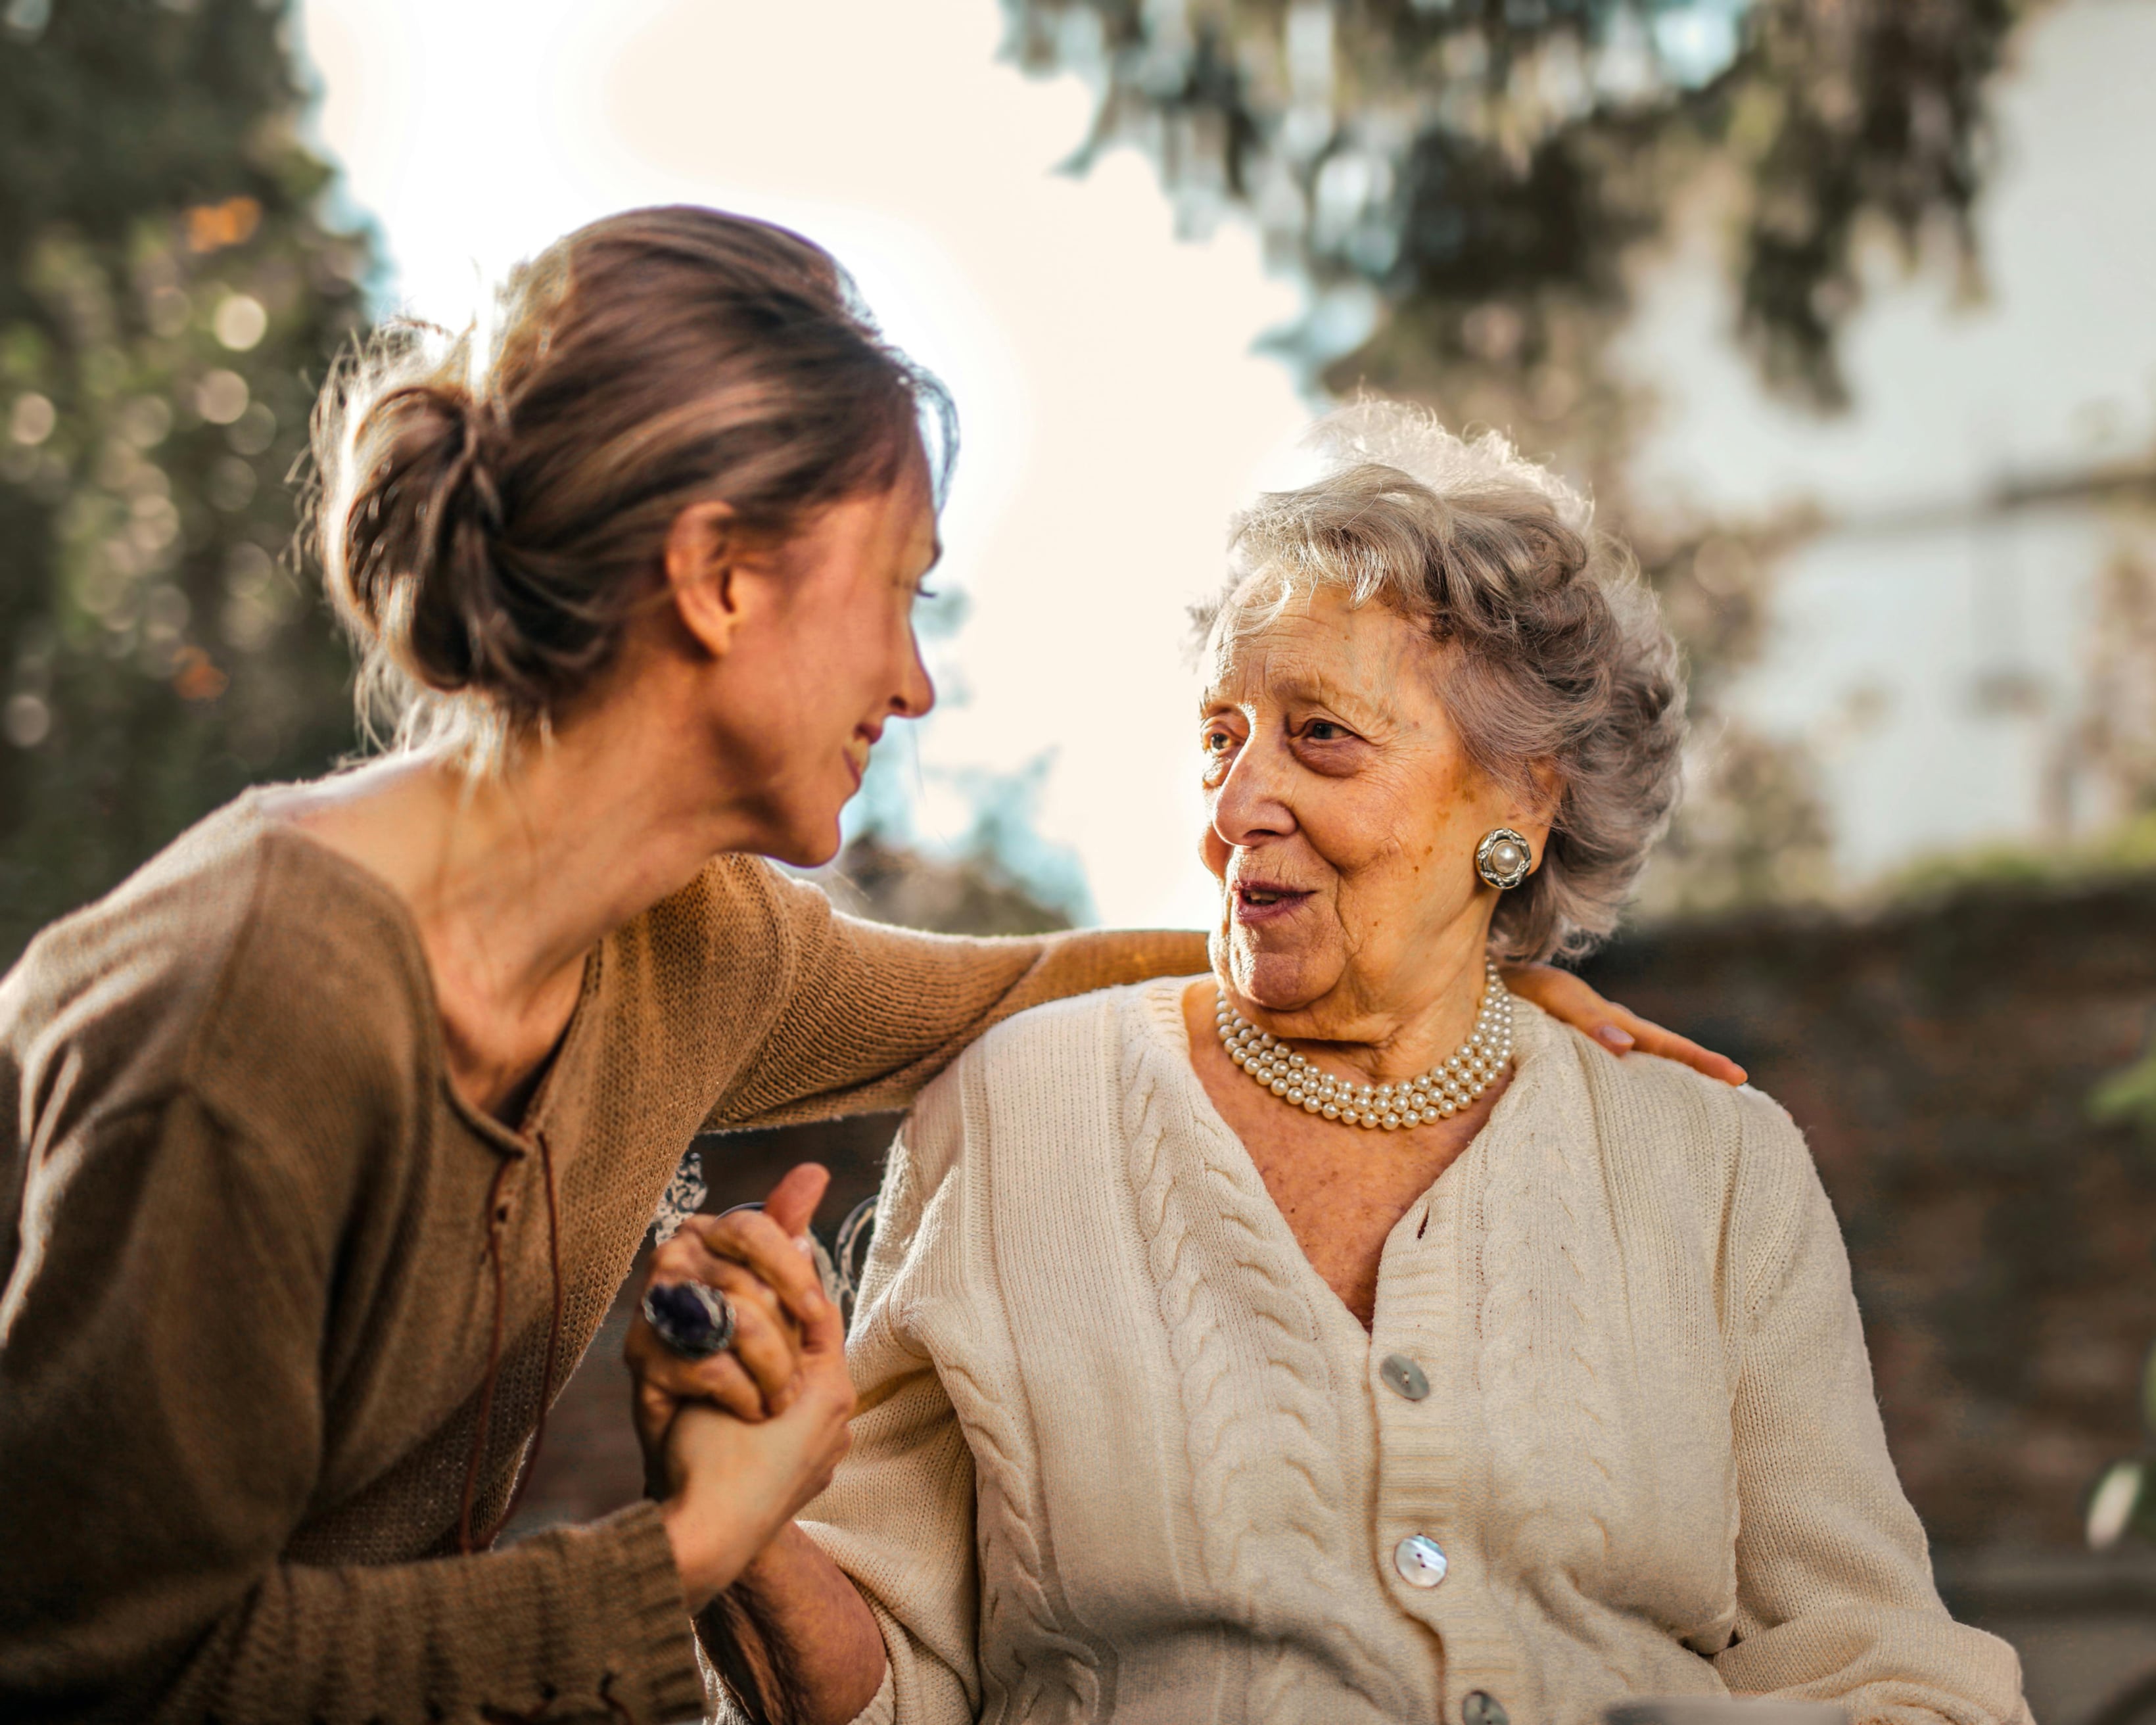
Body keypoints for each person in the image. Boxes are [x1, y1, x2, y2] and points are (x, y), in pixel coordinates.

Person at [0, 210, 1700, 1725]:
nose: (911, 681)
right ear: (720, 577)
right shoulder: (253, 1012)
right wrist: (696, 1546)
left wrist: (1432, 964)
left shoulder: (678, 944)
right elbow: (107, 1666)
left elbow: (1020, 987)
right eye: (895, 593)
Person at [699, 403, 2032, 1725]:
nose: (1231, 808)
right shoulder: (1019, 1113)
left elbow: (1883, 1668)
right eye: (1219, 736)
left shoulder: (1713, 1163)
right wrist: (744, 1525)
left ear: (1521, 798)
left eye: (1319, 734)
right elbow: (883, 1682)